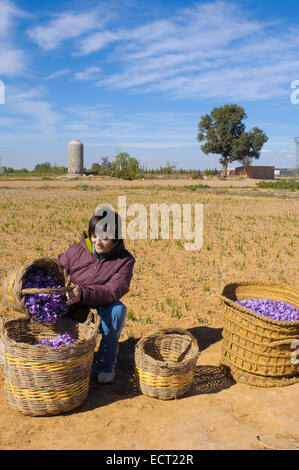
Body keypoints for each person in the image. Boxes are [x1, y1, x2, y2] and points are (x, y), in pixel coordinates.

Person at [57, 204, 135, 384]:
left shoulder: (124, 260)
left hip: (100, 307)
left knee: (116, 309)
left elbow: (113, 290)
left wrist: (82, 293)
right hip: (72, 303)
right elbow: (57, 269)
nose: (98, 241)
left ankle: (106, 363)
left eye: (105, 237)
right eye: (94, 235)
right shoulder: (77, 250)